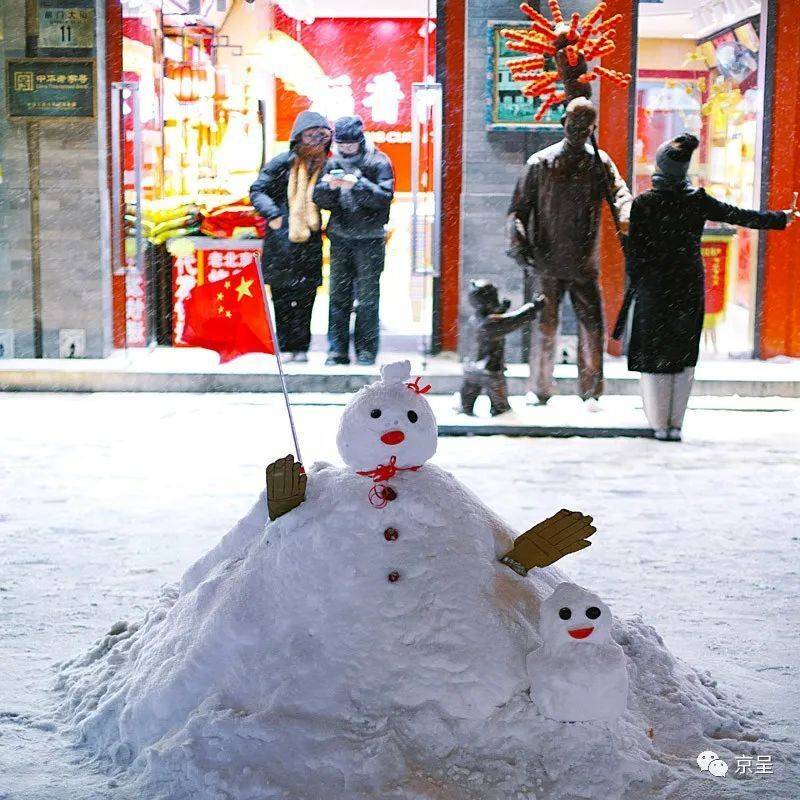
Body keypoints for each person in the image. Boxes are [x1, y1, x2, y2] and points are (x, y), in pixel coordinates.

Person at [624, 133, 795, 441]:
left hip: (653, 285)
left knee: (655, 354)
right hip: (688, 283)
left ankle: (660, 424)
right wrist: (779, 218)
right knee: (683, 351)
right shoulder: (697, 200)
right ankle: (676, 424)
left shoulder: (644, 203)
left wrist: (634, 280)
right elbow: (739, 215)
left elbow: (635, 252)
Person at [507, 97, 632, 409]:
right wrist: (519, 242)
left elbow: (620, 193)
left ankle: (591, 390)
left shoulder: (598, 163)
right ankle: (539, 386)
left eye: (584, 128)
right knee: (545, 324)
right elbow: (518, 210)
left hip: (583, 260)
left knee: (592, 326)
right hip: (547, 259)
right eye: (572, 126)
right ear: (563, 124)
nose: (577, 132)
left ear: (591, 129)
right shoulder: (540, 163)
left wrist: (627, 214)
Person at [313, 115, 395, 366]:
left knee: (368, 298)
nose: (346, 148)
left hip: (370, 237)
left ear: (360, 140)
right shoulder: (333, 162)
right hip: (340, 236)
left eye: (351, 143)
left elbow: (384, 198)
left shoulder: (379, 161)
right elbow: (319, 198)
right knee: (338, 296)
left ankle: (366, 351)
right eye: (342, 143)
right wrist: (331, 188)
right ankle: (336, 350)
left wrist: (357, 184)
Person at [250, 111, 331, 363]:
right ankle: (284, 346)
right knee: (282, 298)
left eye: (322, 136)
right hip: (280, 241)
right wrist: (273, 214)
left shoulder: (330, 166)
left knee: (307, 297)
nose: (317, 142)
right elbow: (257, 190)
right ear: (298, 138)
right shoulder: (282, 163)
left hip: (311, 242)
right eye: (311, 136)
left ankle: (301, 348)